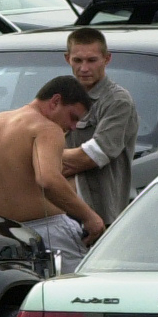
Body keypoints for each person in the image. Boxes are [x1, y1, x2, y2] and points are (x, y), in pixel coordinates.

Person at [0, 75, 104, 267]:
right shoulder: (47, 129)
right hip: (48, 231)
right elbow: (47, 179)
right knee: (77, 292)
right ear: (55, 101)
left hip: (0, 234)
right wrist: (90, 217)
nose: (72, 127)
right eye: (73, 117)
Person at [57, 28, 137, 225]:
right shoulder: (58, 99)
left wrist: (45, 160)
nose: (84, 68)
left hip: (102, 215)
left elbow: (93, 155)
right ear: (68, 59)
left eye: (91, 60)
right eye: (78, 60)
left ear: (107, 59)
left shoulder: (118, 101)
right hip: (61, 216)